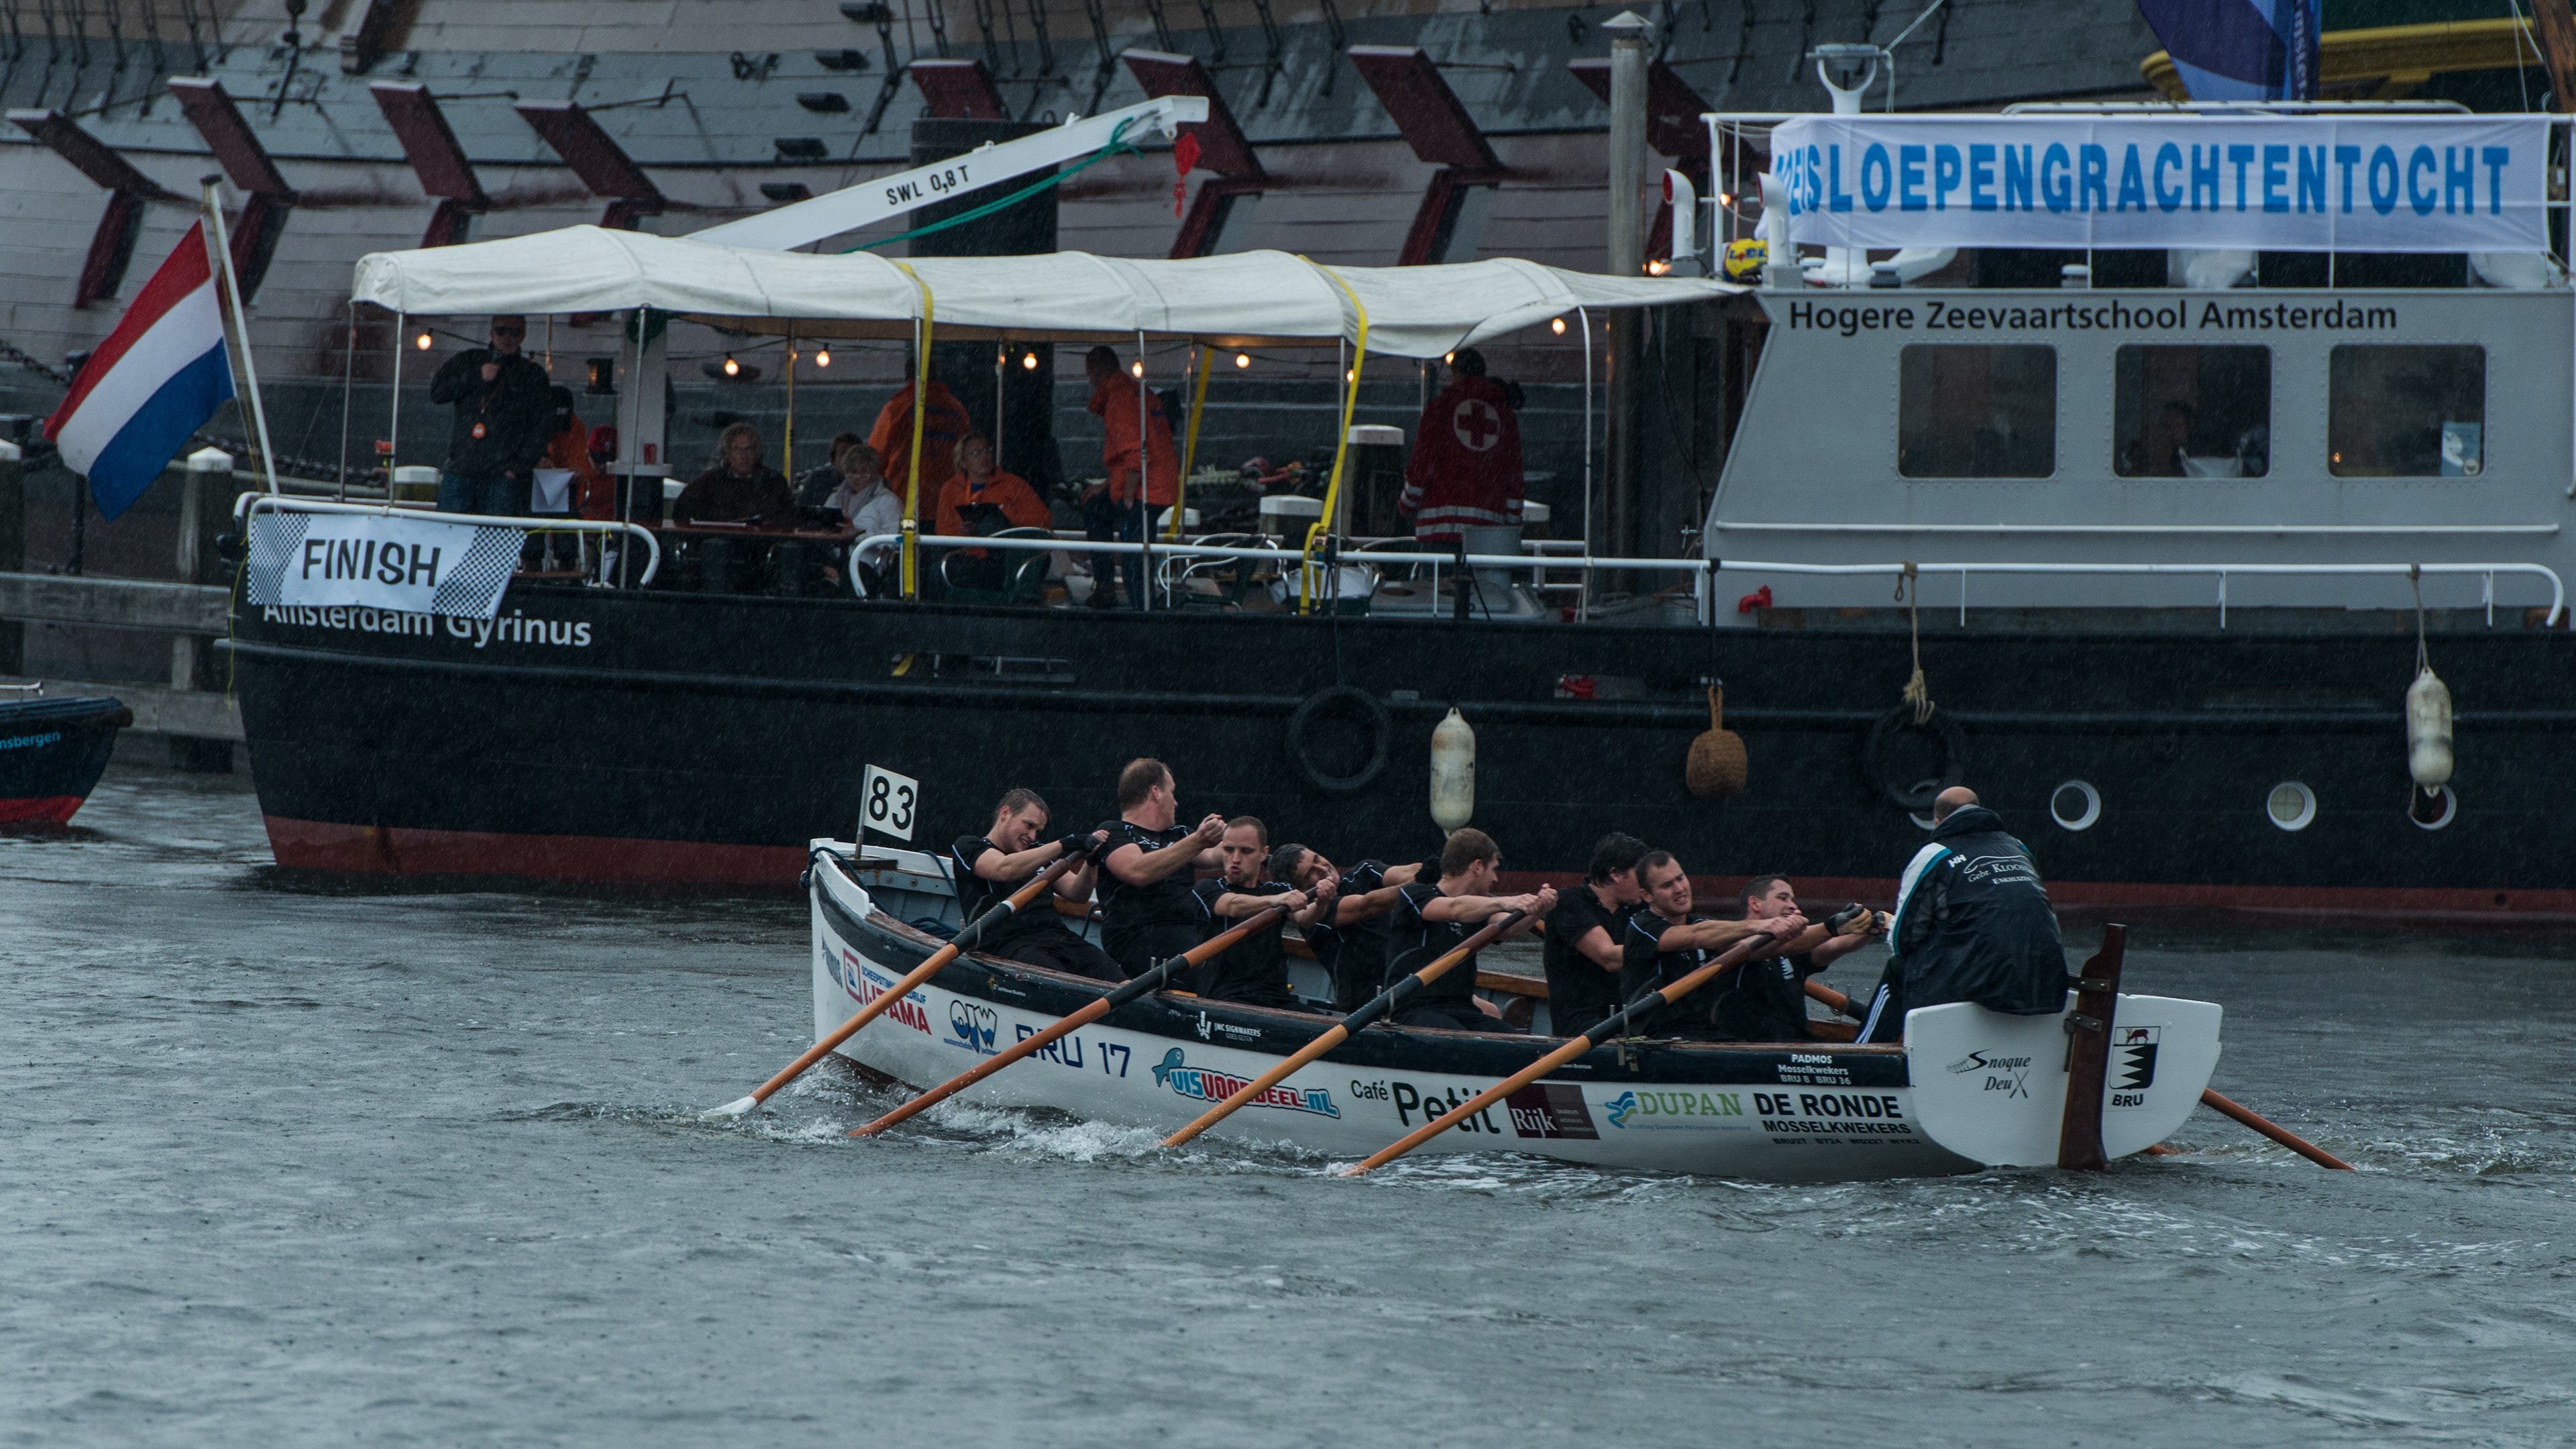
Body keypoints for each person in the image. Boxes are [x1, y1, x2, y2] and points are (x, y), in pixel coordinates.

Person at [1856, 787, 2068, 1044]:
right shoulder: (2018, 848)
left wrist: (1891, 926)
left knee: (1899, 969)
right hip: (2045, 980)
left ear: (1938, 821)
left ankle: (1863, 1054)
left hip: (1983, 983)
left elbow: (1904, 941)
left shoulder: (1935, 854)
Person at [1618, 851, 1809, 1039]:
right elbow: (1697, 936)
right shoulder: (1641, 926)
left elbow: (1753, 948)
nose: (1679, 888)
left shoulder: (1700, 924)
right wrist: (1762, 925)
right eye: (1668, 885)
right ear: (1647, 895)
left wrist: (1822, 929)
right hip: (1655, 1036)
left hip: (1703, 1032)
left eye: (1681, 878)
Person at [1380, 828, 1553, 1032]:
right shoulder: (1414, 894)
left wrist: (1537, 910)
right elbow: (1455, 908)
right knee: (1459, 1038)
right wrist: (1505, 901)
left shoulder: (1479, 909)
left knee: (1515, 1040)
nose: (1496, 879)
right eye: (1494, 869)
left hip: (1462, 1009)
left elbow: (1509, 928)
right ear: (1478, 867)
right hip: (1413, 1008)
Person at [948, 788, 1121, 982]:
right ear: (1005, 813)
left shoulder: (1039, 852)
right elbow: (1003, 868)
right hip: (1008, 943)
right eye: (1028, 825)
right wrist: (1064, 844)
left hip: (1058, 937)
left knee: (1118, 980)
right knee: (1057, 982)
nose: (1032, 836)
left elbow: (1077, 894)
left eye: (1038, 831)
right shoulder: (969, 846)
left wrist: (1092, 863)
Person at [1699, 873, 1885, 1042]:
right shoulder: (1729, 942)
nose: (1793, 906)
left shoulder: (1797, 947)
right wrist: (1831, 926)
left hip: (1799, 1045)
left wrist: (1871, 927)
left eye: (1793, 900)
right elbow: (1765, 947)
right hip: (1749, 1048)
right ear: (1755, 903)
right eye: (1783, 898)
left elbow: (1836, 945)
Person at [1093, 757, 1228, 979]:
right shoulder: (1113, 832)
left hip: (1190, 933)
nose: (1176, 803)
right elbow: (1137, 871)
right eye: (1172, 793)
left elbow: (1215, 856)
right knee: (1210, 975)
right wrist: (1197, 841)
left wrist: (1232, 840)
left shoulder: (1180, 834)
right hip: (1140, 937)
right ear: (1156, 793)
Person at [1187, 816, 1332, 1008]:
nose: (1235, 859)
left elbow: (1305, 918)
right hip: (1224, 997)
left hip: (1276, 997)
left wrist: (1322, 902)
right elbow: (1232, 905)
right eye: (1229, 850)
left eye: (1246, 851)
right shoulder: (1207, 888)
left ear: (1264, 853)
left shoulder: (1278, 890)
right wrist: (1275, 901)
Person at [1272, 846, 1432, 1012]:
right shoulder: (1316, 913)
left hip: (1411, 977)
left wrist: (1435, 870)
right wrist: (1420, 882)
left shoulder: (1363, 871)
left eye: (1317, 859)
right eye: (1310, 873)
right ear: (1301, 891)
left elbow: (1406, 872)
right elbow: (1369, 905)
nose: (1322, 868)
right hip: (1370, 1000)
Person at [1080, 345, 1177, 609]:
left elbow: (1136, 455)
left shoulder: (1118, 400)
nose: (1090, 383)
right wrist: (1106, 487)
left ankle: (1141, 615)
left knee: (1135, 560)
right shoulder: (1140, 392)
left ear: (1098, 373)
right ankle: (1111, 590)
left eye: (1090, 376)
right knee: (1096, 508)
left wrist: (1127, 497)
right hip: (1160, 483)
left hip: (1144, 491)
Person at [427, 314, 551, 517]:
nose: (507, 338)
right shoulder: (469, 360)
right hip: (462, 469)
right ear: (492, 333)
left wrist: (517, 467)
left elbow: (542, 426)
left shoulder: (532, 374)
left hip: (501, 475)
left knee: (496, 533)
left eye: (515, 332)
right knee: (451, 530)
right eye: (501, 331)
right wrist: (477, 376)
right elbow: (438, 393)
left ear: (523, 336)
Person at [1399, 347, 1523, 545]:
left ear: (1456, 372)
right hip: (1487, 535)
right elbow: (1513, 475)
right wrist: (1513, 523)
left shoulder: (1440, 409)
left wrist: (1406, 504)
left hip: (1438, 531)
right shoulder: (1505, 416)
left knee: (1436, 570)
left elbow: (1422, 465)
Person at [1542, 833, 1650, 1038]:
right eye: (1641, 876)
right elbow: (1608, 957)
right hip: (1580, 1026)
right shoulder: (1567, 902)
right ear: (1615, 874)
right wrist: (1665, 946)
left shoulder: (1638, 908)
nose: (1646, 885)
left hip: (1627, 1018)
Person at [936, 433, 1053, 590]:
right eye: (976, 453)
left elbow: (1043, 521)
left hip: (1009, 559)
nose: (984, 456)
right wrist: (963, 531)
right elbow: (942, 531)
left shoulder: (1013, 484)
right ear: (963, 462)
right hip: (971, 558)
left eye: (986, 450)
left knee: (989, 524)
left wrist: (1005, 523)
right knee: (937, 571)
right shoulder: (950, 489)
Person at [867, 376, 973, 513]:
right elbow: (968, 453)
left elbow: (875, 457)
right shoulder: (957, 408)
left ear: (908, 376)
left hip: (903, 497)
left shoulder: (897, 407)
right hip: (946, 500)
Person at [672, 422, 796, 525]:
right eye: (737, 449)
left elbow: (790, 517)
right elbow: (681, 512)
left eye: (749, 449)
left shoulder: (774, 481)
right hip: (719, 542)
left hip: (762, 543)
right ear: (726, 454)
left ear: (757, 453)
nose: (743, 456)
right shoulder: (709, 481)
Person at [820, 443, 902, 594]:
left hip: (865, 560)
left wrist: (858, 535)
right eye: (853, 472)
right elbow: (822, 522)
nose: (857, 478)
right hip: (832, 556)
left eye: (864, 472)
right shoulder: (835, 497)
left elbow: (897, 537)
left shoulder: (888, 501)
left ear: (874, 471)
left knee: (849, 572)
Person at [796, 431, 865, 506]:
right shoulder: (818, 479)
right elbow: (802, 508)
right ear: (833, 460)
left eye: (853, 455)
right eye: (842, 454)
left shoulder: (868, 480)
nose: (848, 459)